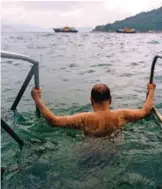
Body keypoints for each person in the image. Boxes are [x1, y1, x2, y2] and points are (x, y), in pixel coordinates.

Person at [31, 83, 156, 137]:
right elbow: (146, 110)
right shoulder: (122, 115)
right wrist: (151, 90)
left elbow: (54, 121)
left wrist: (37, 99)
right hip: (113, 152)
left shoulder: (84, 119)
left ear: (91, 100)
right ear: (110, 99)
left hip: (90, 152)